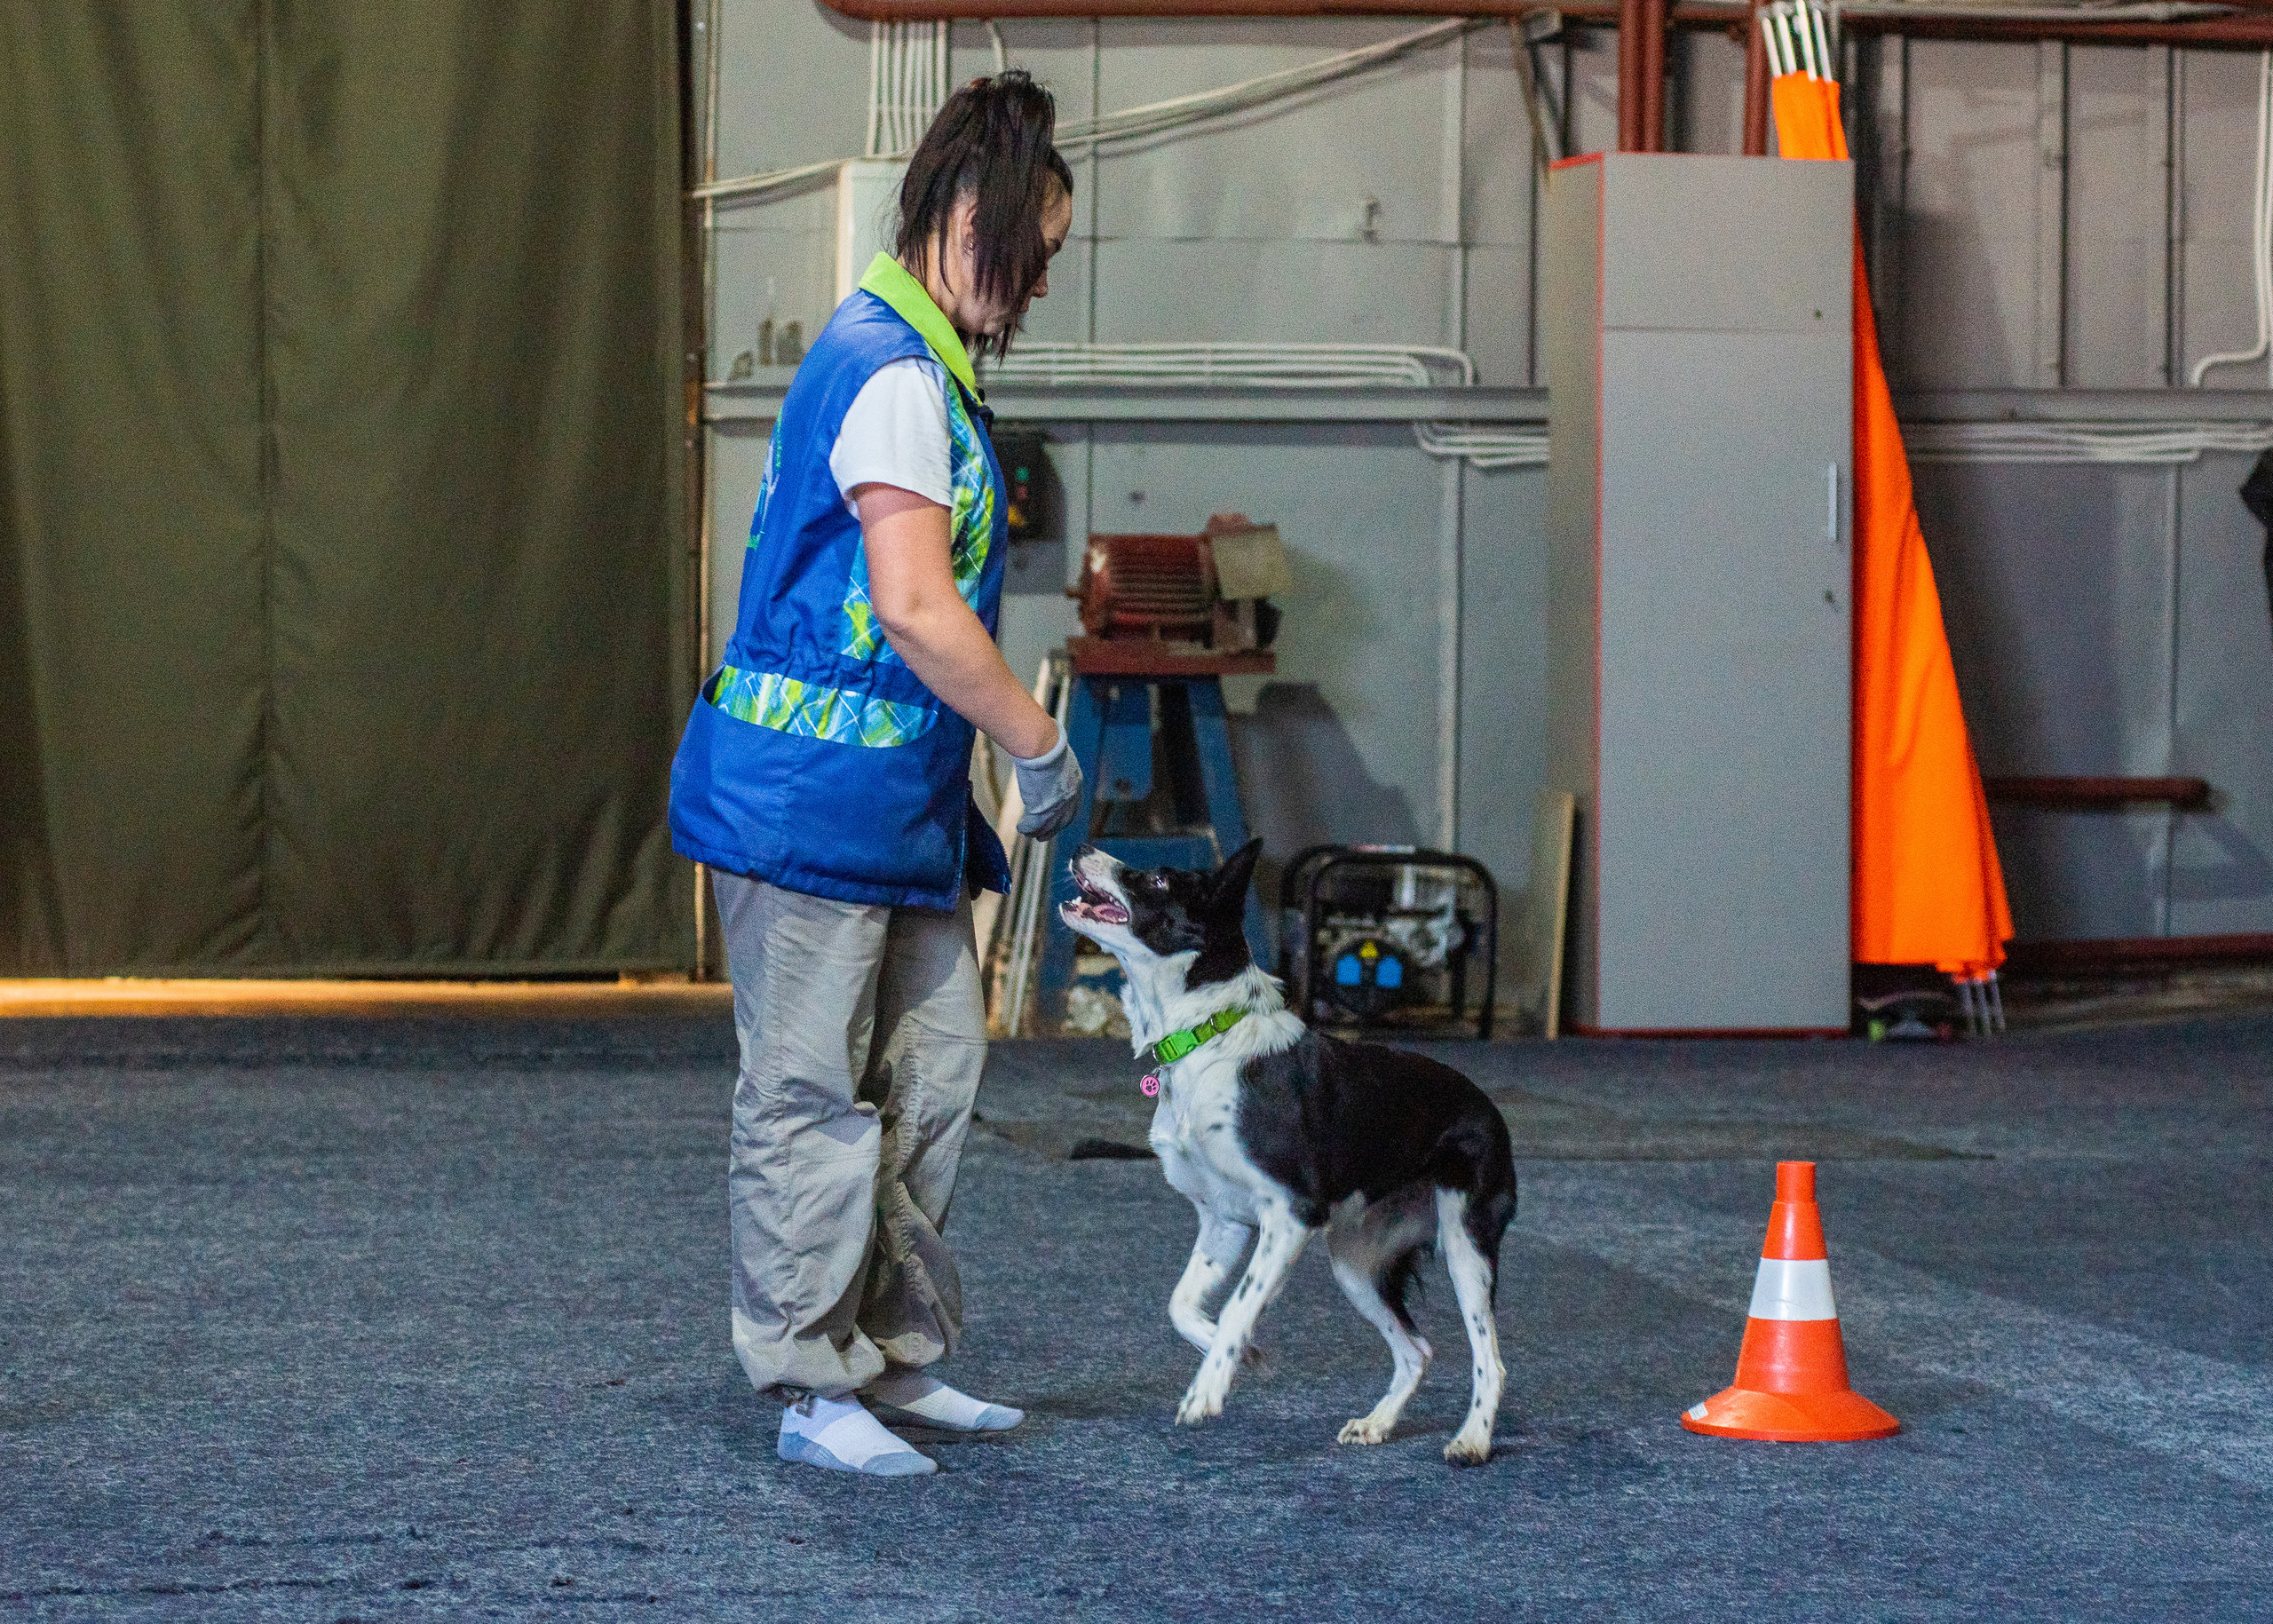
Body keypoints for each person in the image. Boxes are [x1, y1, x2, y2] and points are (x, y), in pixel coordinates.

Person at [668, 72, 1083, 1477]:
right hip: (804, 807)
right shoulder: (892, 370)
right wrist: (1038, 736)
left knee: (931, 1071)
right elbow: (912, 605)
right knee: (807, 1092)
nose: (1030, 290)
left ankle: (888, 1360)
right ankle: (805, 1379)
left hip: (892, 808)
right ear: (966, 211)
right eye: (1028, 254)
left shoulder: (927, 369)